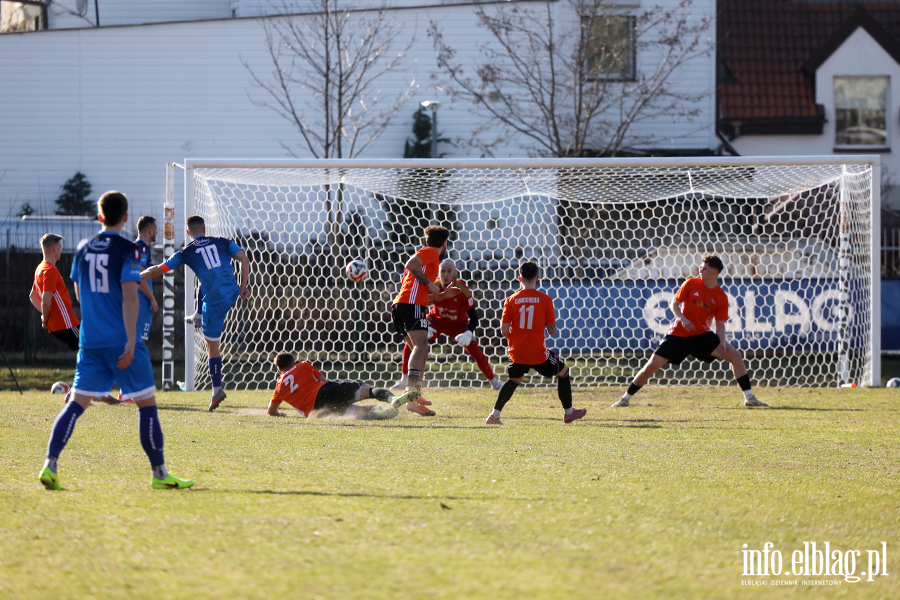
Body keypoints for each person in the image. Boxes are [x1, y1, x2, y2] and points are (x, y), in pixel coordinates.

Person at [38, 190, 193, 491]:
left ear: (99, 216)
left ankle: (50, 465)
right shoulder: (129, 250)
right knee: (146, 406)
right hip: (123, 342)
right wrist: (132, 339)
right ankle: (160, 475)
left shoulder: (83, 248)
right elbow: (128, 294)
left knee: (75, 406)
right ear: (125, 218)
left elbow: (79, 291)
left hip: (90, 342)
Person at [612, 255, 767, 408]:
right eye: (700, 267)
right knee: (650, 367)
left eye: (704, 268)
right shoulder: (691, 283)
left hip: (701, 336)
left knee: (735, 356)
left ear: (714, 271)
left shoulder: (721, 297)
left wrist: (722, 341)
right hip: (679, 334)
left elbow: (720, 324)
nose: (700, 269)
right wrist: (683, 319)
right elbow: (674, 304)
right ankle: (625, 399)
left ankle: (749, 398)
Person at [141, 215, 250, 411]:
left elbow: (159, 269)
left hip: (215, 302)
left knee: (212, 348)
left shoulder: (186, 252)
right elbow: (244, 259)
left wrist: (133, 276)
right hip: (233, 292)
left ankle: (217, 390)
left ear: (188, 233)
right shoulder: (223, 242)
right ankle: (198, 314)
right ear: (205, 229)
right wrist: (243, 287)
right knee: (203, 279)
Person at [486, 261, 586, 425]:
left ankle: (494, 416)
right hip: (539, 354)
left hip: (517, 352)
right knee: (564, 371)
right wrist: (547, 328)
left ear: (520, 278)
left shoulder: (511, 300)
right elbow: (552, 330)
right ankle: (569, 413)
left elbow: (504, 330)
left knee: (514, 379)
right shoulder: (546, 300)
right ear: (537, 278)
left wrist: (517, 340)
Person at [394, 259, 502, 391]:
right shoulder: (433, 286)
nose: (445, 274)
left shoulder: (463, 290)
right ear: (438, 273)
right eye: (442, 271)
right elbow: (420, 306)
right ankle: (404, 380)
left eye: (449, 271)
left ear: (455, 273)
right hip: (435, 322)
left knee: (476, 351)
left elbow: (473, 317)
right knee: (411, 343)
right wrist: (425, 324)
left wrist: (468, 333)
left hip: (458, 325)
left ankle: (494, 382)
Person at [390, 225, 456, 416]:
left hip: (404, 305)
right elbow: (411, 264)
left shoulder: (430, 260)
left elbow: (426, 296)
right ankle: (411, 390)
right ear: (444, 243)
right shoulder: (430, 253)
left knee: (420, 349)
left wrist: (443, 293)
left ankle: (414, 396)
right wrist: (430, 284)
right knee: (421, 346)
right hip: (410, 305)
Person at [267, 352, 421, 420]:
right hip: (324, 392)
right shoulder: (302, 365)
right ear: (293, 361)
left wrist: (281, 414)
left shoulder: (278, 388)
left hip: (317, 412)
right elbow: (323, 380)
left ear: (279, 370)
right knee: (368, 390)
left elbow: (271, 411)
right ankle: (392, 399)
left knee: (357, 412)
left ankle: (376, 413)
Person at [30, 233, 80, 351]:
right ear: (54, 248)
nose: (61, 250)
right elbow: (46, 302)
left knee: (85, 348)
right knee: (89, 346)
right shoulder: (50, 271)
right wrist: (45, 319)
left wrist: (46, 316)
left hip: (59, 324)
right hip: (66, 323)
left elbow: (32, 296)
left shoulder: (40, 269)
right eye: (60, 247)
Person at [134, 216, 159, 343]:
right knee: (138, 345)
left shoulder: (136, 247)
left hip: (137, 302)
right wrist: (152, 298)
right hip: (140, 303)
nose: (157, 232)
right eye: (155, 229)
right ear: (150, 231)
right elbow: (140, 276)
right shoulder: (142, 248)